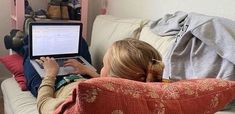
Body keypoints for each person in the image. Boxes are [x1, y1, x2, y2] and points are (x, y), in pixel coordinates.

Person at [36, 38, 164, 114]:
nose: (101, 68)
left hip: (54, 85)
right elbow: (112, 86)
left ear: (110, 78)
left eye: (103, 65)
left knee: (31, 53)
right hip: (81, 77)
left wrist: (50, 73)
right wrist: (86, 69)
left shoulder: (81, 101)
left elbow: (43, 103)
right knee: (80, 42)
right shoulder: (145, 94)